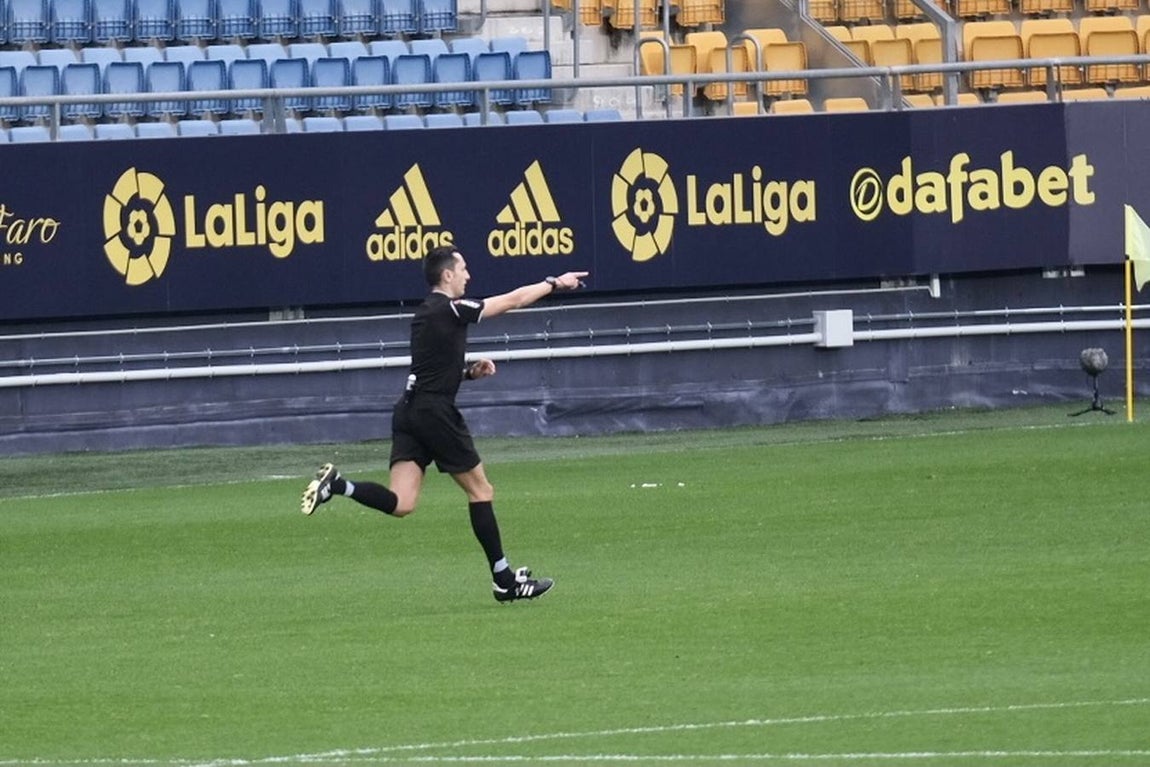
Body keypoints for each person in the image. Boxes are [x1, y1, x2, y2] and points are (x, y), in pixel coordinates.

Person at [300, 245, 589, 603]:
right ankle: (504, 581)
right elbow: (511, 301)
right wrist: (554, 283)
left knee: (402, 503)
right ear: (447, 275)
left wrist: (468, 373)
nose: (469, 275)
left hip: (408, 411)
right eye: (463, 269)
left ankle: (339, 486)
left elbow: (433, 370)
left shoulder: (426, 314)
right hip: (434, 413)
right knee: (481, 491)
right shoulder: (450, 307)